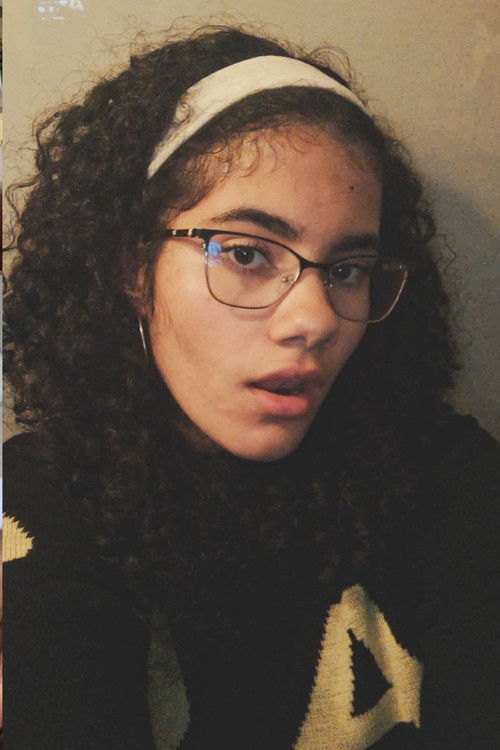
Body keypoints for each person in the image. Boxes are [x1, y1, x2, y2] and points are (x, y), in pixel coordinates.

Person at [3, 24, 499, 750]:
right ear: (133, 269)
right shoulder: (46, 503)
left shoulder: (450, 478)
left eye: (347, 270)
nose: (316, 320)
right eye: (244, 253)